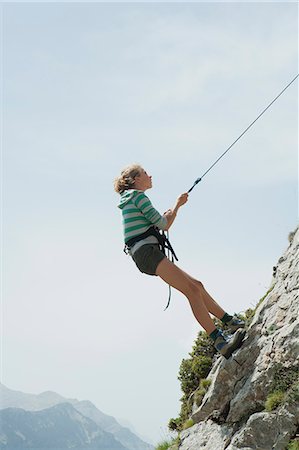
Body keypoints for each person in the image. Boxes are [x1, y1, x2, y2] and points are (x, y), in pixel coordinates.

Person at [114, 164, 245, 359]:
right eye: (144, 173)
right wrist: (178, 205)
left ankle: (231, 322)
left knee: (197, 285)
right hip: (147, 252)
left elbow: (157, 223)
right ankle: (220, 342)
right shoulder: (138, 197)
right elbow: (164, 225)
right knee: (192, 291)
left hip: (144, 254)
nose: (150, 175)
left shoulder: (130, 199)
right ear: (136, 180)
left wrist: (167, 215)